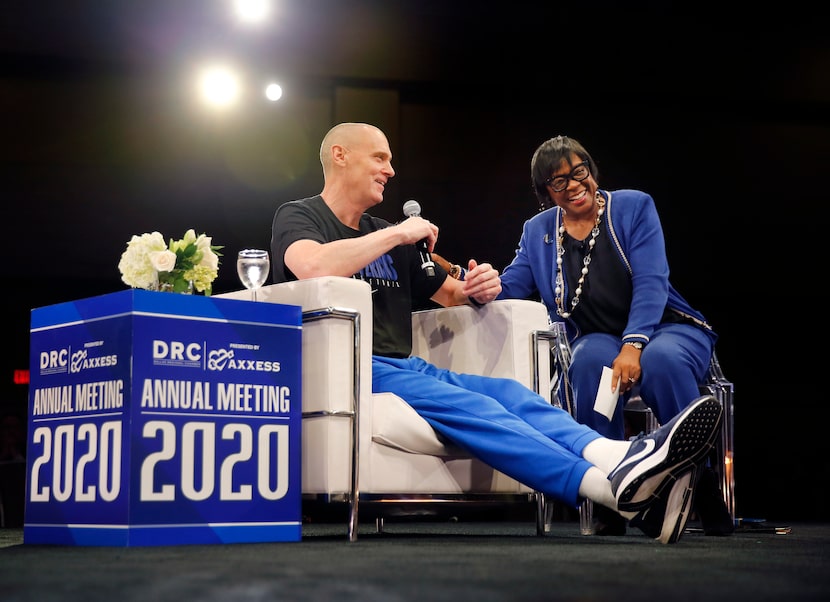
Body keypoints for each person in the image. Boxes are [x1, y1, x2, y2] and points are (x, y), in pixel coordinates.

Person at [269, 122, 723, 544]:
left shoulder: (387, 233)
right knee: (477, 407)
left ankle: (619, 465)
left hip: (406, 366)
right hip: (357, 367)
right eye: (380, 158)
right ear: (340, 155)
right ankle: (612, 488)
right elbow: (311, 265)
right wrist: (398, 236)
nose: (391, 170)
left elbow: (454, 295)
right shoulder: (300, 215)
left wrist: (482, 285)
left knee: (510, 394)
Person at [496, 134, 729, 535]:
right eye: (558, 181)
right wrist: (467, 281)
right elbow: (509, 287)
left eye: (578, 172)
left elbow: (652, 281)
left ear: (591, 169)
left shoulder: (633, 206)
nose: (573, 185)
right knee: (586, 361)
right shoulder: (538, 231)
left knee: (662, 360)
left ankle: (699, 479)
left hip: (665, 327)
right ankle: (614, 490)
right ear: (545, 192)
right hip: (599, 336)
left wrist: (634, 343)